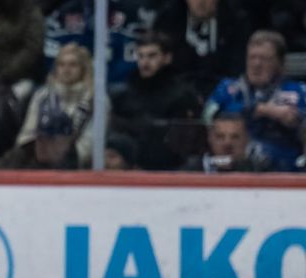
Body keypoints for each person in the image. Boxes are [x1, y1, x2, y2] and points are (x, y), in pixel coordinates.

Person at [203, 30, 306, 172]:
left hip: (282, 169)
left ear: (280, 64)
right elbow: (207, 116)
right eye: (252, 58)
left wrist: (297, 119)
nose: (256, 64)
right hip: (230, 165)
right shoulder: (228, 88)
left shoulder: (297, 91)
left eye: (265, 59)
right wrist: (260, 110)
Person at [109, 31, 202, 170]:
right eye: (141, 56)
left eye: (152, 56)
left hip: (171, 169)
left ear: (167, 58)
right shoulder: (124, 95)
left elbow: (185, 142)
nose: (145, 62)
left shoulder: (182, 95)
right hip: (128, 169)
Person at [16, 43, 98, 166]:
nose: (66, 69)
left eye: (73, 65)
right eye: (61, 64)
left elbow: (89, 143)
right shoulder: (42, 95)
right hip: (39, 160)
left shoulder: (95, 99)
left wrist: (65, 158)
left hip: (75, 164)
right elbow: (27, 134)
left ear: (83, 68)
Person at [154, 0, 249, 99]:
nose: (201, 2)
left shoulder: (235, 21)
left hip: (221, 92)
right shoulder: (168, 20)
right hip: (176, 92)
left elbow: (237, 67)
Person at [0, 105, 80, 170]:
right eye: (40, 137)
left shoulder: (77, 170)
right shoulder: (23, 155)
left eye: (50, 139)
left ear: (66, 141)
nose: (41, 144)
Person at [186, 111, 272, 172]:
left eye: (235, 137)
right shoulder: (191, 171)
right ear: (210, 138)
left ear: (247, 140)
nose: (227, 143)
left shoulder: (260, 171)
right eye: (220, 137)